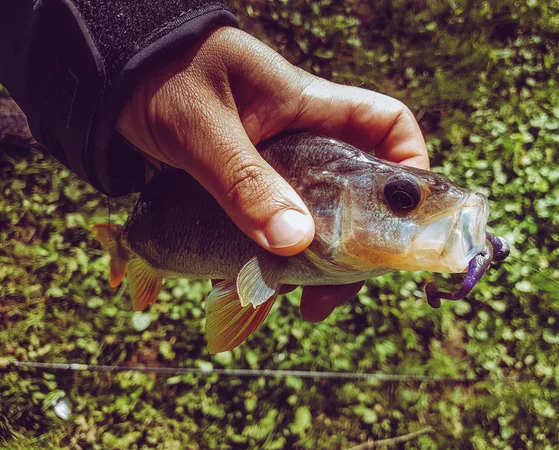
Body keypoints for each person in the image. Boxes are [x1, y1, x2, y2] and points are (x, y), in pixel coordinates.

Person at [0, 1, 429, 322]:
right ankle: (122, 247)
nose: (407, 210)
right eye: (401, 199)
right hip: (151, 232)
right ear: (321, 194)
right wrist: (148, 54)